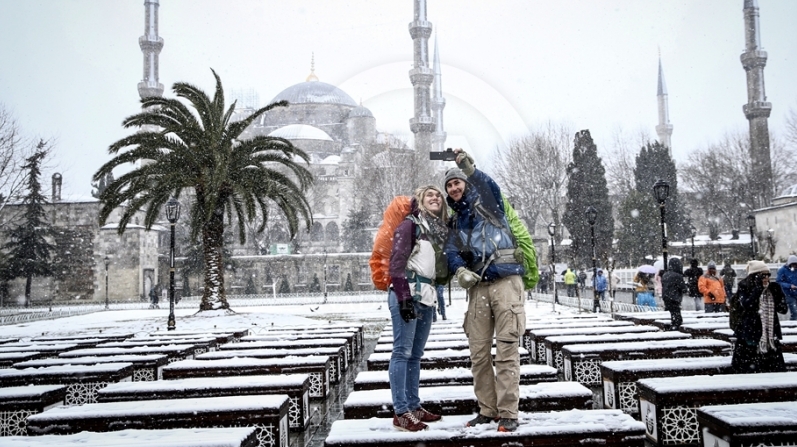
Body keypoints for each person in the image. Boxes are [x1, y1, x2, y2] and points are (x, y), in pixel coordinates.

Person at [443, 148, 525, 433]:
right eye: (449, 185)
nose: (454, 188)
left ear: (465, 183)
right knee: (478, 352)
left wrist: (468, 168)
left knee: (506, 350)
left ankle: (508, 412)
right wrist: (459, 269)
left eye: (458, 182)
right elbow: (451, 251)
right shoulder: (456, 220)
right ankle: (487, 410)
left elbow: (489, 185)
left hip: (504, 282)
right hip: (478, 286)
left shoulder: (488, 204)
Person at [387, 185, 449, 432]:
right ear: (421, 201)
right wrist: (403, 298)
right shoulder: (409, 225)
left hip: (426, 297)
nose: (436, 198)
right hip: (408, 294)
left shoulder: (435, 231)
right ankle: (400, 412)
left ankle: (413, 406)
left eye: (439, 195)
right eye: (430, 195)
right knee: (402, 352)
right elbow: (397, 263)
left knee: (415, 355)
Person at [731, 260, 788, 373]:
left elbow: (783, 309)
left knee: (774, 367)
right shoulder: (744, 286)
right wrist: (758, 289)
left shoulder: (773, 288)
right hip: (750, 332)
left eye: (768, 274)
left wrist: (777, 295)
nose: (766, 277)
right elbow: (747, 305)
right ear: (755, 276)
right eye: (763, 275)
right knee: (748, 367)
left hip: (770, 333)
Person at [661, 258, 687, 330]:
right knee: (677, 316)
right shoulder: (678, 276)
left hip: (666, 297)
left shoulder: (665, 275)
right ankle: (675, 328)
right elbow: (683, 288)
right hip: (674, 298)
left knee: (673, 314)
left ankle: (673, 327)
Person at [776, 255, 797, 320]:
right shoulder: (782, 270)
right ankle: (793, 323)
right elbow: (778, 282)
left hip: (795, 292)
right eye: (793, 264)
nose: (794, 266)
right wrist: (789, 286)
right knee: (794, 310)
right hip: (788, 293)